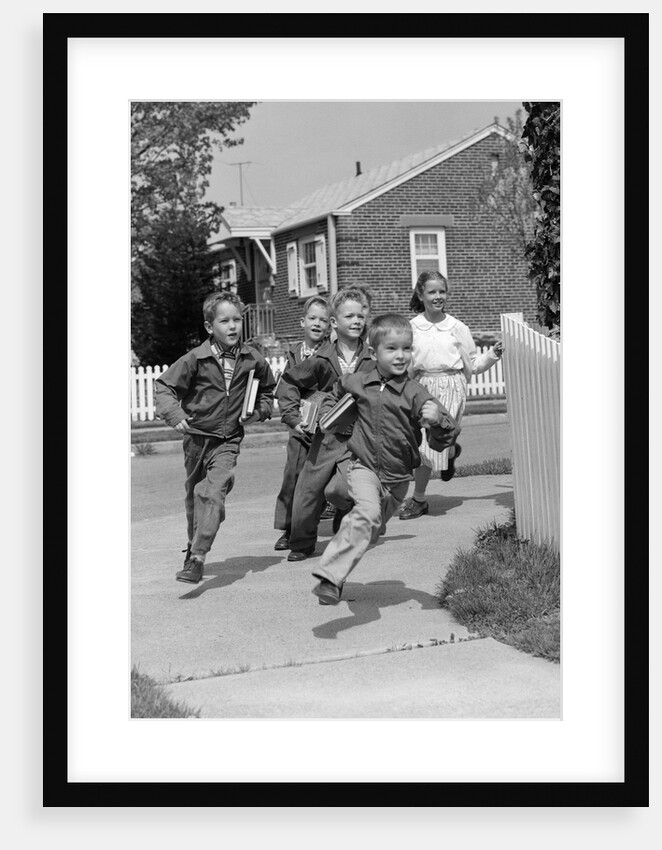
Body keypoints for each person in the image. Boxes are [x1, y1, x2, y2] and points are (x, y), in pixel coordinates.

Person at [310, 313, 459, 605]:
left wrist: (439, 421)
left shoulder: (416, 394)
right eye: (391, 348)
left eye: (406, 348)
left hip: (397, 481)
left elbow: (444, 438)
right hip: (363, 467)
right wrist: (325, 411)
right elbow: (335, 392)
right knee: (366, 515)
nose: (401, 355)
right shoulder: (358, 382)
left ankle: (339, 566)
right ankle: (330, 577)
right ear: (373, 351)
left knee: (369, 533)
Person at [154, 291, 276, 583]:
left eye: (237, 320)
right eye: (225, 321)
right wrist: (176, 415)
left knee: (211, 494)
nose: (233, 326)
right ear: (210, 327)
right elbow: (164, 387)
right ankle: (192, 547)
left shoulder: (253, 359)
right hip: (196, 439)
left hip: (228, 440)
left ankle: (198, 557)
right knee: (194, 498)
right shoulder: (195, 358)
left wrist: (258, 412)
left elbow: (268, 393)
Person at [276, 286, 374, 562]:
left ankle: (345, 510)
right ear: (334, 322)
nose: (356, 321)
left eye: (360, 316)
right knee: (308, 490)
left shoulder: (372, 358)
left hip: (358, 437)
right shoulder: (321, 359)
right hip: (326, 436)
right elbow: (290, 383)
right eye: (348, 316)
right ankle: (302, 542)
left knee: (343, 489)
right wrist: (293, 417)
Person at [397, 270, 503, 520]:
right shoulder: (411, 328)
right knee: (422, 447)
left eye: (442, 291)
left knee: (433, 446)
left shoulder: (457, 328)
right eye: (432, 292)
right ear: (420, 294)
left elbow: (474, 364)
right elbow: (402, 360)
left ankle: (441, 464)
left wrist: (493, 355)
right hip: (421, 387)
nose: (438, 296)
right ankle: (432, 481)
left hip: (452, 387)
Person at [273, 295, 330, 551]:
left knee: (317, 477)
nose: (317, 324)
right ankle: (288, 527)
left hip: (325, 420)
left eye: (323, 320)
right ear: (302, 321)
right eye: (312, 318)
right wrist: (292, 416)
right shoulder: (295, 352)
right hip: (299, 420)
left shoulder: (333, 352)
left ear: (330, 326)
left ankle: (308, 526)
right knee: (293, 474)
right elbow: (288, 385)